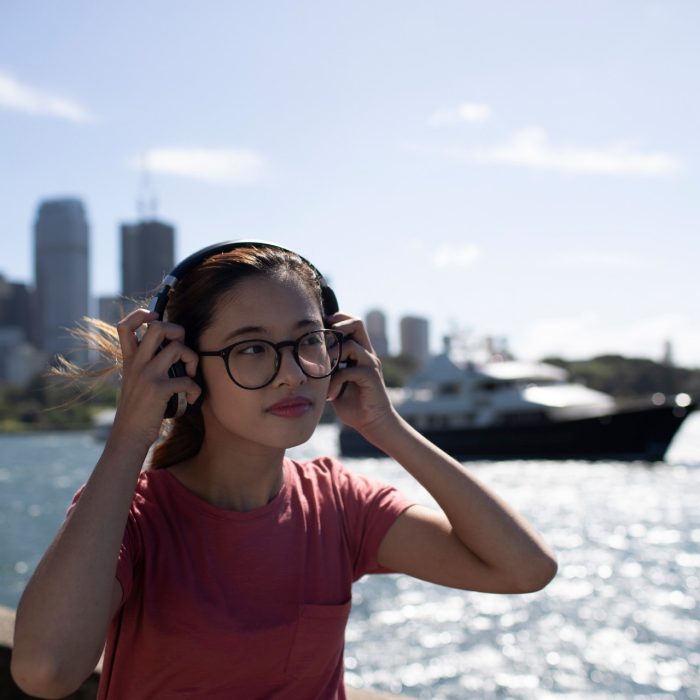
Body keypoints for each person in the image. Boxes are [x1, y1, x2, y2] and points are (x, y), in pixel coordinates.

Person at [11, 242, 557, 699]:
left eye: (308, 342)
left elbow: (524, 569)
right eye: (251, 348)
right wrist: (132, 434)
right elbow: (45, 671)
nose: (292, 373)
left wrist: (386, 426)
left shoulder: (340, 504)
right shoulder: (133, 517)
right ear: (182, 366)